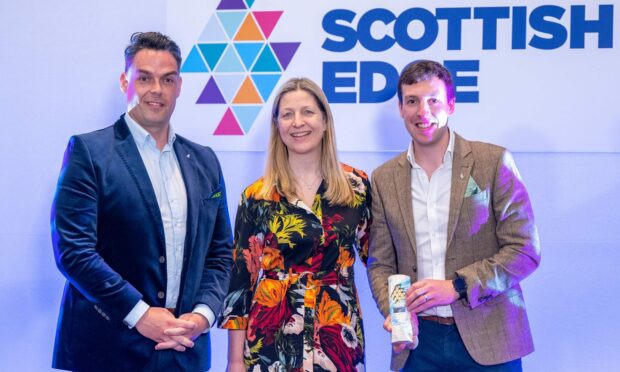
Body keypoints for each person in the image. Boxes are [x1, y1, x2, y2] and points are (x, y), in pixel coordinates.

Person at [51, 31, 233, 371]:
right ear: (125, 81)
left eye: (167, 80)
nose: (156, 90)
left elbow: (220, 253)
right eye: (144, 78)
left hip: (185, 350)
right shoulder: (89, 152)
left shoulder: (205, 160)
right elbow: (73, 251)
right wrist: (140, 315)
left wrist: (203, 316)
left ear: (179, 86)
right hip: (107, 351)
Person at [367, 60, 541, 371]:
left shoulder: (492, 162)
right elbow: (381, 263)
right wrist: (397, 313)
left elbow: (524, 251)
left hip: (489, 339)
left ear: (451, 104)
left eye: (433, 100)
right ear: (401, 109)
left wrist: (457, 286)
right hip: (418, 345)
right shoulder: (383, 178)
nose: (423, 111)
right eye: (412, 101)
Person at [218, 78, 371, 372]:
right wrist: (234, 362)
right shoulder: (257, 197)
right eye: (287, 114)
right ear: (277, 125)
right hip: (271, 339)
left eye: (308, 112)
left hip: (337, 337)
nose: (297, 122)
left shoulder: (357, 187)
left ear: (325, 121)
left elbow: (380, 260)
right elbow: (239, 284)